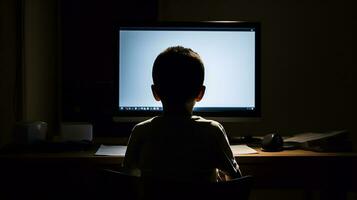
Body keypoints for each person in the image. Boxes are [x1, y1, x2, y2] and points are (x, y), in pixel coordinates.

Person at [122, 46, 242, 183]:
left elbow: (128, 182)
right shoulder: (212, 131)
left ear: (155, 92)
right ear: (200, 93)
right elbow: (236, 179)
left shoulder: (141, 131)